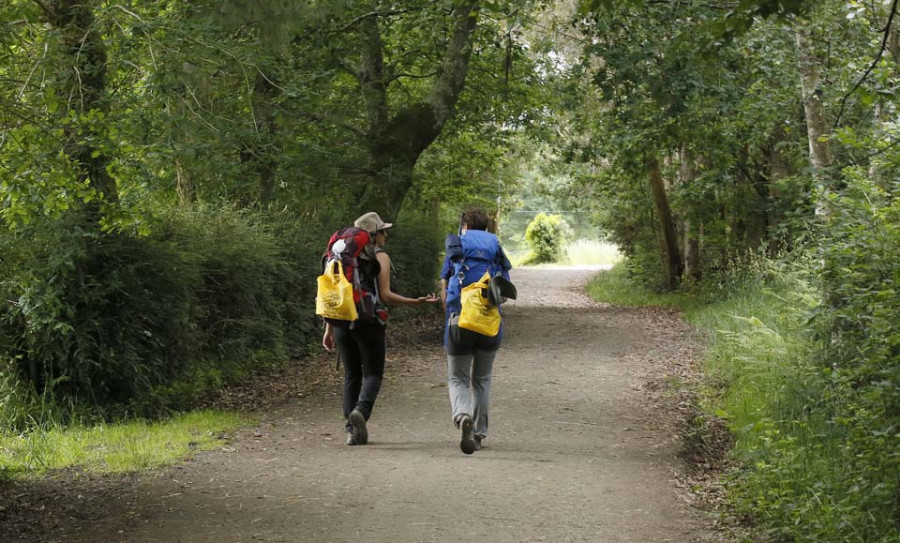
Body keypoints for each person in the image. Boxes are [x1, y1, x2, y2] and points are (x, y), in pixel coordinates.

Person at [322, 211, 439, 446]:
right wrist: (416, 301)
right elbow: (385, 295)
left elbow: (331, 291)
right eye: (384, 231)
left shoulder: (336, 255)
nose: (386, 235)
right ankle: (361, 413)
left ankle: (351, 430)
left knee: (351, 375)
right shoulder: (379, 255)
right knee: (373, 373)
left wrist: (328, 329)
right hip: (368, 320)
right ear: (375, 234)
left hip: (340, 320)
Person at [440, 208, 513, 454]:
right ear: (487, 227)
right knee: (481, 380)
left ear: (466, 226)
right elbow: (505, 290)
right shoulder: (496, 248)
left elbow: (444, 290)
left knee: (457, 377)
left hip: (459, 321)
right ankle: (479, 433)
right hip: (489, 323)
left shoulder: (457, 245)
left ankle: (462, 417)